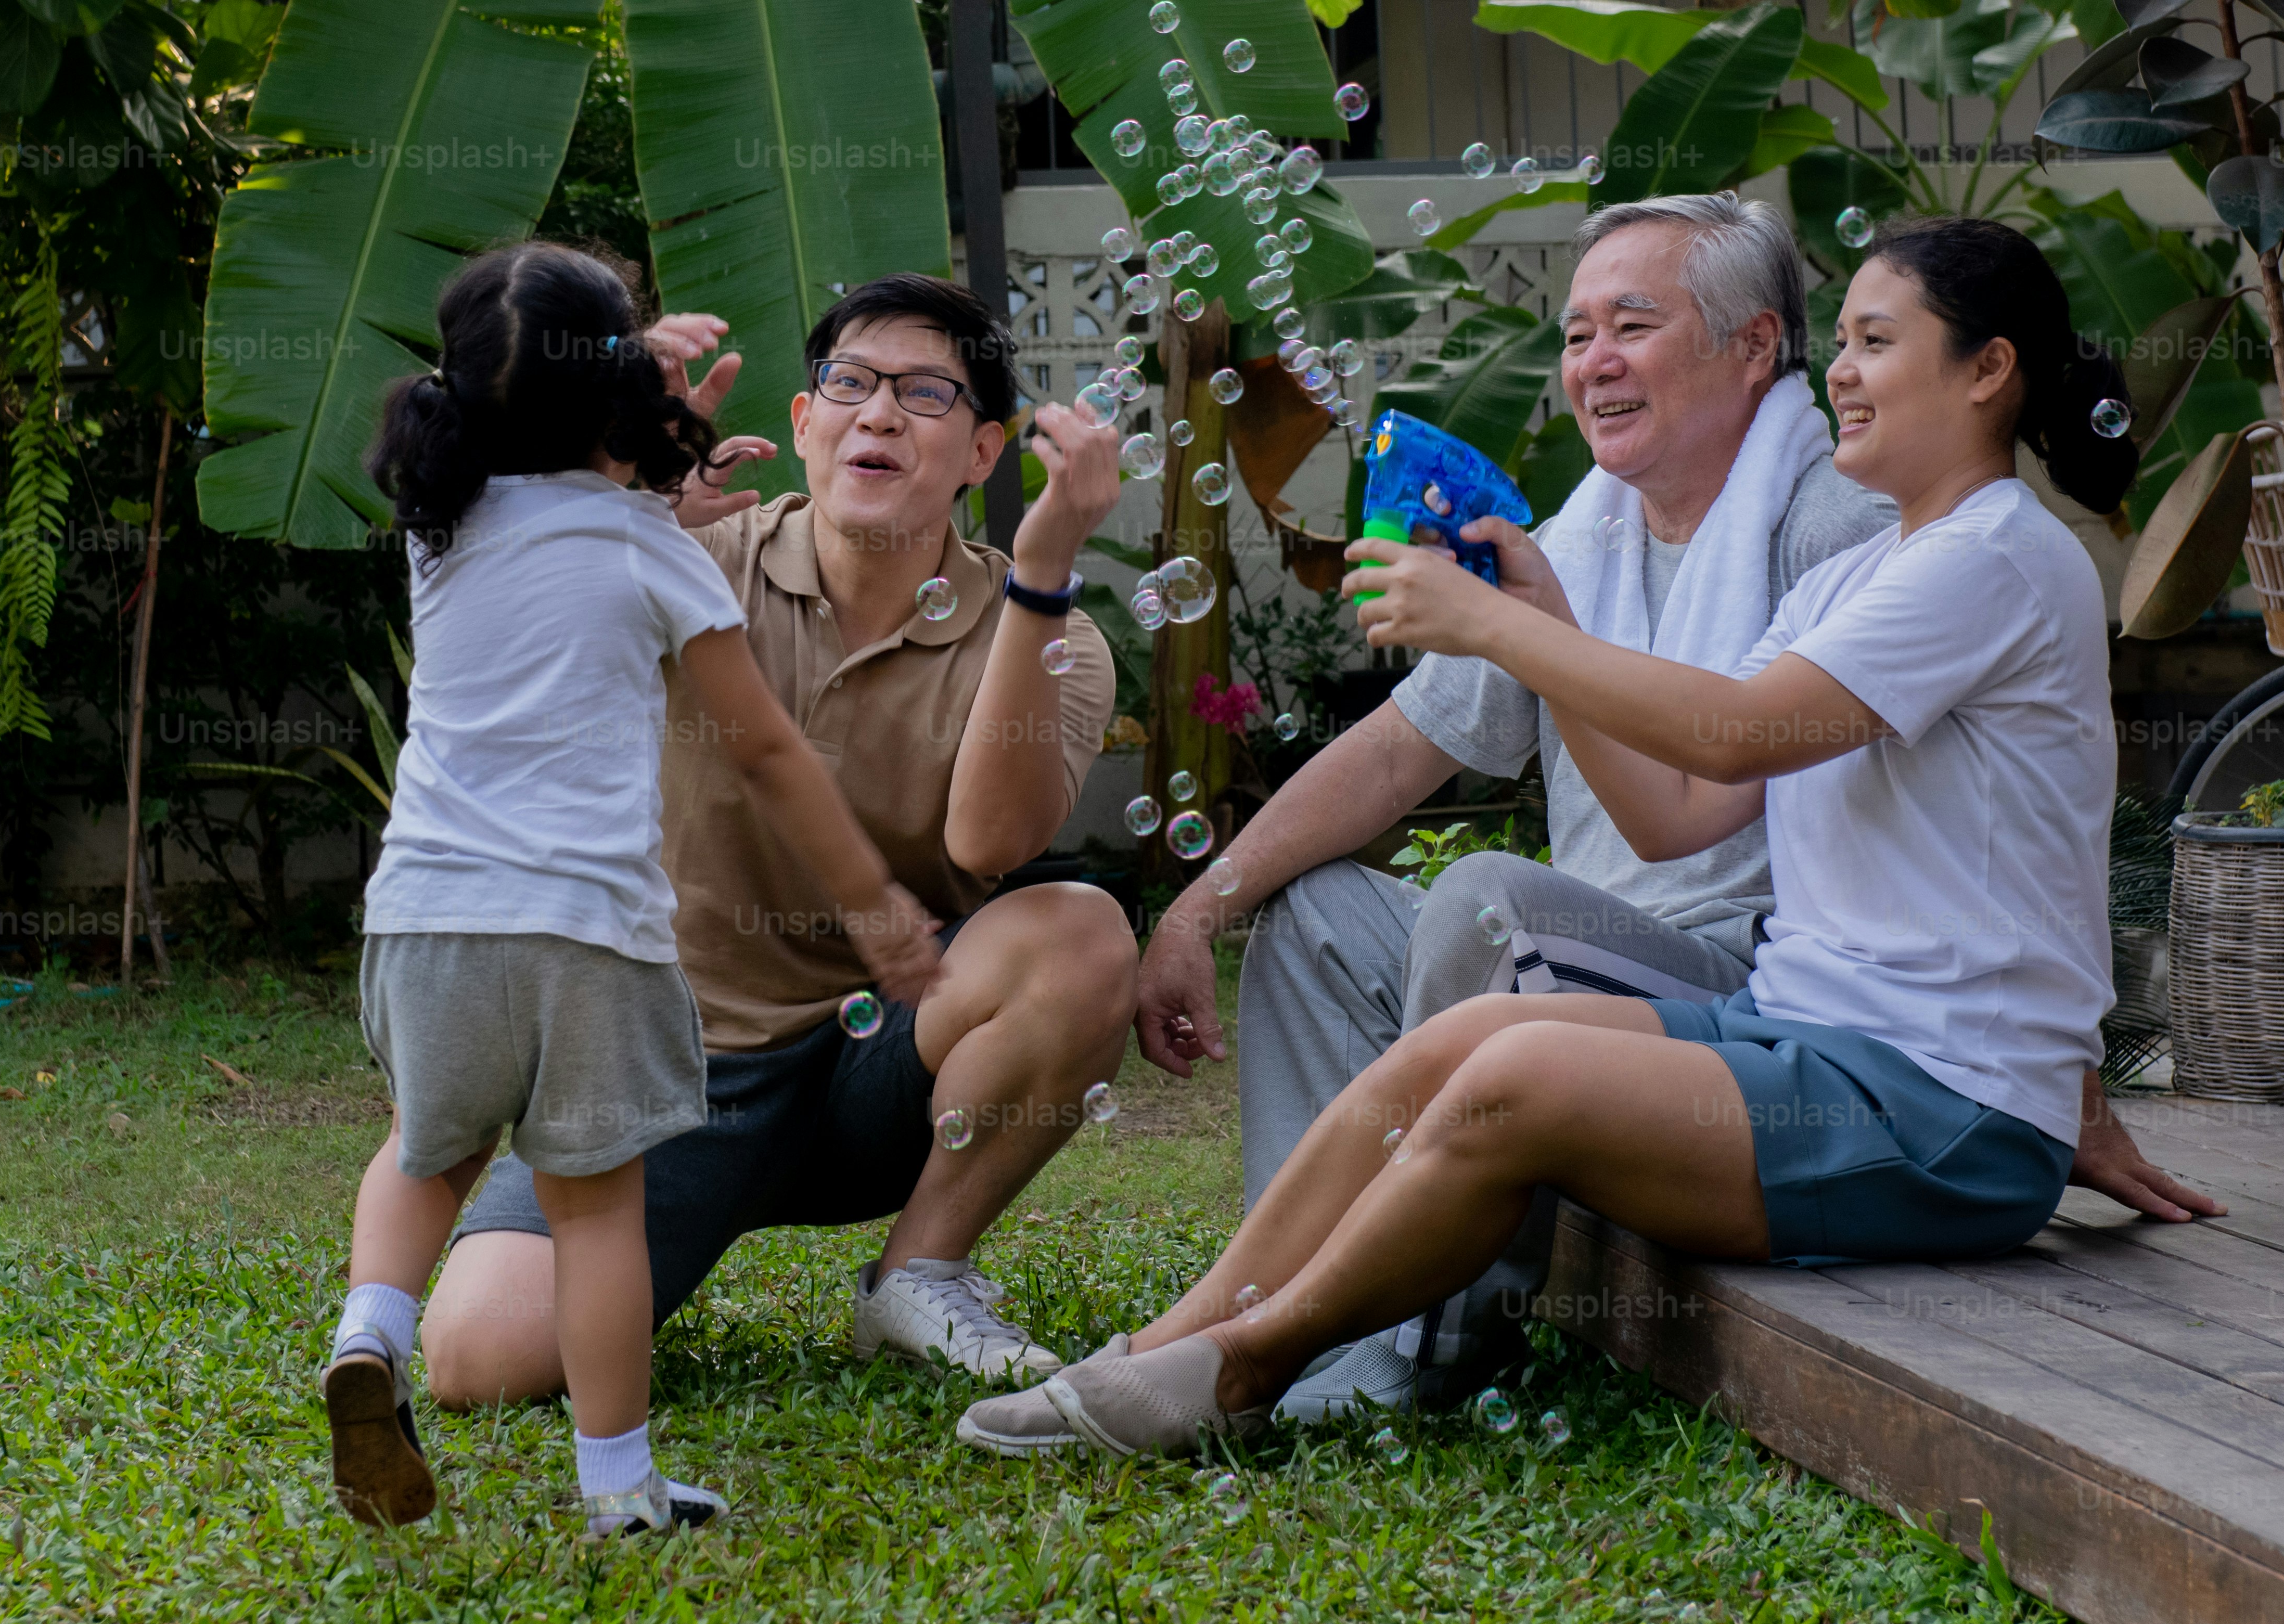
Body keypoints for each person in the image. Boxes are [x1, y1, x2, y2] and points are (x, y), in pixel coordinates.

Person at [961, 217, 2212, 1460]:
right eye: (1838, 341)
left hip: (1941, 1107)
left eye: (1873, 341)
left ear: (1985, 369)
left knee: (1513, 1071)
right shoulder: (1865, 571)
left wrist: (1508, 632)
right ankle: (1165, 1341)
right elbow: (1678, 810)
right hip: (1816, 1037)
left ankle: (1239, 1370)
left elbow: (1728, 734)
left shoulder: (1989, 559)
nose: (1835, 372)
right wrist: (1544, 621)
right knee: (1460, 1040)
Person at [1137, 194, 1897, 1417]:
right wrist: (1197, 905)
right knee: (1318, 912)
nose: (1590, 362)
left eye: (1631, 325)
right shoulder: (1581, 532)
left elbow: (1696, 807)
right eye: (1574, 331)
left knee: (1491, 905)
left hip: (1749, 990)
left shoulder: (1830, 527)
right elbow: (1397, 751)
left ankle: (1419, 1346)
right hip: (1584, 957)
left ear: (1754, 345)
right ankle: (1294, 1303)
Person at [418, 274, 1137, 1403]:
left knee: (1082, 932)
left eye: (925, 394)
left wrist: (1042, 573)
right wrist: (619, 499)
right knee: (478, 1356)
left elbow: (989, 838)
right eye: (848, 383)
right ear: (803, 424)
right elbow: (482, 615)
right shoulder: (685, 558)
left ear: (984, 452)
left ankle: (917, 1270)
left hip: (889, 1062)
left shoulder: (1048, 632)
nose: (878, 413)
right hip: (667, 1067)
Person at [320, 243, 939, 1540]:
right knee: (594, 1208)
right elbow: (763, 745)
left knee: (426, 1150)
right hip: (585, 937)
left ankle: (369, 1326)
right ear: (618, 406)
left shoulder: (443, 527)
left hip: (423, 918)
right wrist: (874, 902)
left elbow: (551, 479)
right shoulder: (654, 556)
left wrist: (615, 396)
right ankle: (618, 1487)